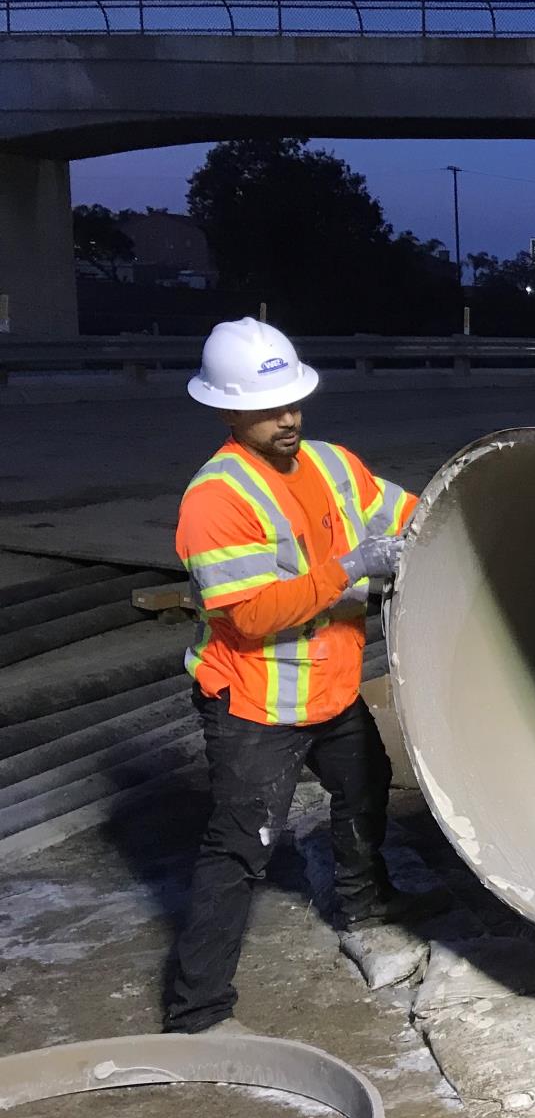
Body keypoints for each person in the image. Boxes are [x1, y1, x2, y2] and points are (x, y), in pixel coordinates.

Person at [165, 318, 439, 1035]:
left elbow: (407, 514)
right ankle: (197, 1010)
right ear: (227, 411)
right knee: (241, 846)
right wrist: (351, 568)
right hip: (256, 702)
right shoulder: (216, 500)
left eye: (293, 401)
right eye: (268, 408)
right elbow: (251, 615)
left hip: (333, 687)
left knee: (365, 783)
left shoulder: (332, 464)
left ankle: (364, 905)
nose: (288, 418)